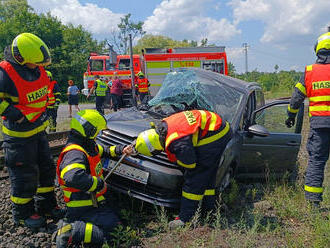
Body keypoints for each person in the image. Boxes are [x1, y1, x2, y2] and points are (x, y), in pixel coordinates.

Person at [0, 33, 63, 229]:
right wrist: (14, 114)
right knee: (24, 176)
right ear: (19, 58)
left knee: (46, 170)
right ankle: (22, 214)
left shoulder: (37, 69)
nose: (38, 67)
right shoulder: (5, 74)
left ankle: (45, 205)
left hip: (38, 131)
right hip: (18, 137)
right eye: (34, 63)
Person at [134, 110, 232, 228]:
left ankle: (186, 219)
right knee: (207, 174)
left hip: (217, 133)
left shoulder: (177, 141)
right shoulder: (163, 126)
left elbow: (190, 164)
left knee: (195, 177)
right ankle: (210, 209)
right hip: (216, 126)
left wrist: (180, 162)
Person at [54, 109, 133, 247]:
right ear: (90, 131)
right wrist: (98, 183)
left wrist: (121, 149)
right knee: (117, 234)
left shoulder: (88, 145)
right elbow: (72, 177)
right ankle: (73, 230)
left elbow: (106, 150)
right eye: (97, 131)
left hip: (94, 201)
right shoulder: (75, 153)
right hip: (83, 206)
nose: (98, 135)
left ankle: (79, 228)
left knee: (119, 222)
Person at [286, 29, 330, 208]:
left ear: (317, 50)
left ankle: (313, 204)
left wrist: (291, 115)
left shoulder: (310, 72)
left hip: (319, 126)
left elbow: (297, 97)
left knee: (317, 162)